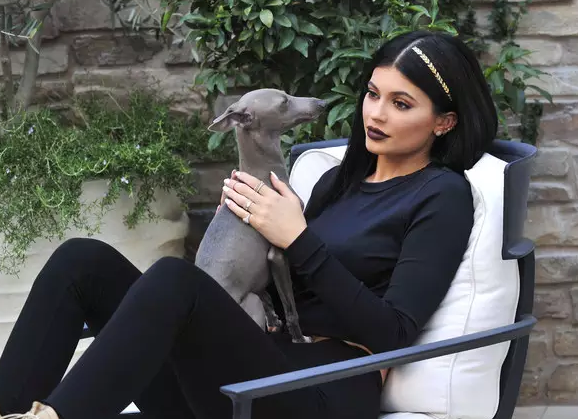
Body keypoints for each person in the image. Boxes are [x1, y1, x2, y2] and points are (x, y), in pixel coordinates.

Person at [0, 29, 497, 419]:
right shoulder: (338, 181)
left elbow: (394, 332)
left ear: (444, 122)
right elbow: (279, 286)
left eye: (401, 103)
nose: (377, 113)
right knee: (82, 261)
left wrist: (296, 237)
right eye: (373, 94)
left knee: (176, 279)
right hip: (244, 369)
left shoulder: (442, 196)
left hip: (316, 392)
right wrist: (245, 228)